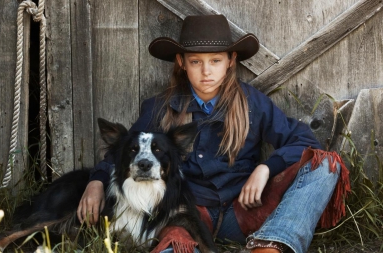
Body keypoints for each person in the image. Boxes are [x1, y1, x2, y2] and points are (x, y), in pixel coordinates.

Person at [77, 15, 349, 253]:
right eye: (196, 61)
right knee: (175, 243)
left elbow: (303, 140)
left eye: (215, 61)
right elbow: (126, 150)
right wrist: (97, 181)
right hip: (190, 213)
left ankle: (272, 244)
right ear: (181, 62)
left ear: (231, 61)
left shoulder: (251, 102)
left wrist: (267, 167)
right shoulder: (160, 107)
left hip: (248, 209)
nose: (206, 71)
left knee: (325, 164)